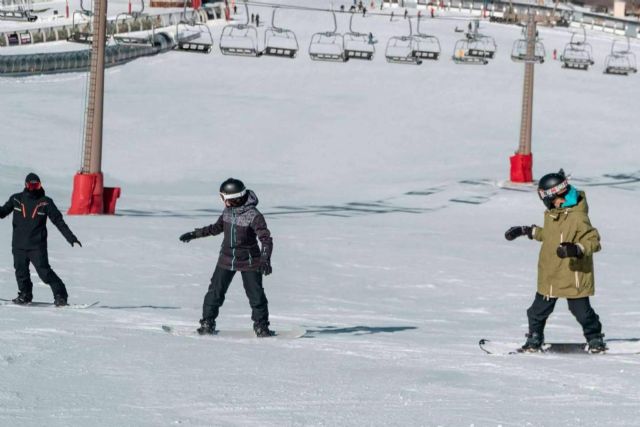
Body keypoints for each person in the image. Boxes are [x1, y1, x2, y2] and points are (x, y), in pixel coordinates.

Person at [504, 170, 606, 353]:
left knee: (582, 313)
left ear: (555, 195)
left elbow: (593, 241)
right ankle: (534, 338)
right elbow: (549, 235)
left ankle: (595, 338)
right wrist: (526, 231)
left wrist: (576, 249)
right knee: (536, 312)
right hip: (550, 274)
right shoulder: (554, 214)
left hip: (572, 275)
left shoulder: (577, 216)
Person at [179, 178, 274, 337]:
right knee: (215, 293)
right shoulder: (227, 211)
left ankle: (261, 327)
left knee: (256, 296)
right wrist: (194, 234)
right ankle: (207, 323)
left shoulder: (254, 216)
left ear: (233, 198)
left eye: (223, 197)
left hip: (249, 261)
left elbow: (266, 239)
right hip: (226, 259)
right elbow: (215, 228)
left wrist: (265, 259)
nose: (222, 201)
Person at [0, 173, 81, 306]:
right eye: (31, 185)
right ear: (26, 185)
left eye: (36, 185)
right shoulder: (16, 199)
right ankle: (25, 295)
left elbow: (58, 221)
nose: (33, 188)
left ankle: (60, 295)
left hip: (37, 246)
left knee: (44, 272)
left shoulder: (45, 202)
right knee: (21, 272)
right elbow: (2, 212)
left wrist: (70, 237)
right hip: (19, 245)